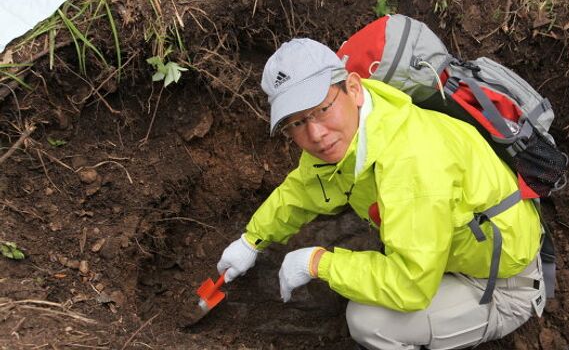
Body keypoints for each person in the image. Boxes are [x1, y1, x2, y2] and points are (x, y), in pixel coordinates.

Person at [216, 38, 546, 350]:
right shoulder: (363, 126)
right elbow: (304, 187)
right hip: (449, 252)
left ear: (354, 89)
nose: (315, 133)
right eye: (298, 123)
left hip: (501, 283)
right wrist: (251, 240)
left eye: (322, 109)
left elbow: (410, 285)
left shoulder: (411, 163)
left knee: (367, 321)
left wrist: (318, 263)